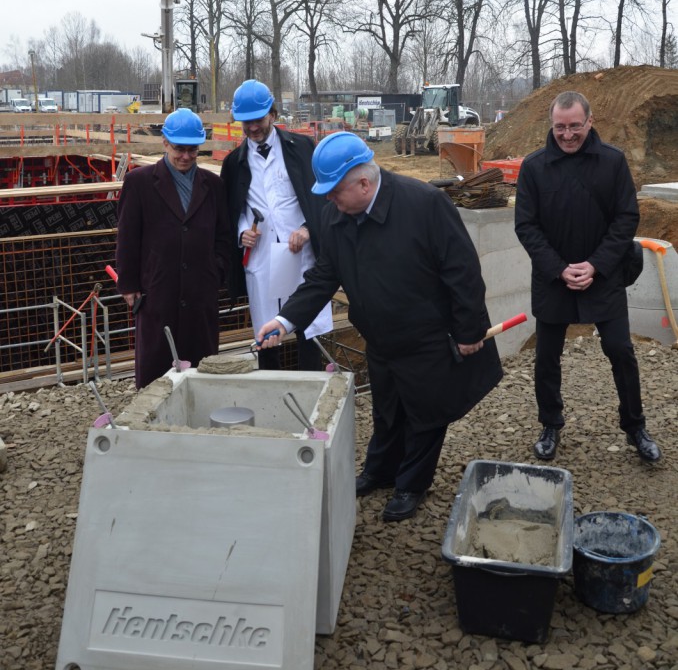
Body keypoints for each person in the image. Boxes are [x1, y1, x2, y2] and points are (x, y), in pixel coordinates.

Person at [255, 130, 503, 522]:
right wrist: (287, 319)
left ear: (364, 183)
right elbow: (325, 274)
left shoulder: (425, 205)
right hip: (380, 335)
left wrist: (469, 330)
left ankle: (411, 485)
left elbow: (463, 272)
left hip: (426, 336)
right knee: (387, 410)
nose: (328, 200)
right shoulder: (336, 213)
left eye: (335, 192)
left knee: (426, 414)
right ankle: (380, 471)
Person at [514, 90, 661, 463]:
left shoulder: (612, 163)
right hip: (553, 278)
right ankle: (550, 424)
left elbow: (626, 218)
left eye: (575, 126)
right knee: (547, 356)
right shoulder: (534, 167)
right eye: (560, 127)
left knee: (620, 350)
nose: (567, 134)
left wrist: (595, 265)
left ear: (590, 122)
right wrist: (559, 269)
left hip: (603, 274)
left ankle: (635, 426)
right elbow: (527, 226)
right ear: (552, 124)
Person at [221, 80, 331, 370]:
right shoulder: (234, 162)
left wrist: (308, 229)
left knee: (307, 322)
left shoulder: (303, 148)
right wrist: (242, 230)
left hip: (301, 253)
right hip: (263, 256)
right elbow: (233, 208)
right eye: (245, 123)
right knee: (267, 328)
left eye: (257, 120)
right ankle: (270, 387)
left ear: (272, 113)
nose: (252, 128)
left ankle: (312, 387)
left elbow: (321, 198)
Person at [116, 108, 229, 389]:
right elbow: (128, 236)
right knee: (157, 368)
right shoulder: (139, 183)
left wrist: (217, 271)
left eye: (193, 150)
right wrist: (129, 284)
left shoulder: (213, 185)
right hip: (158, 290)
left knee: (200, 370)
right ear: (165, 143)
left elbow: (224, 236)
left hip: (200, 291)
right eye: (180, 149)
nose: (186, 157)